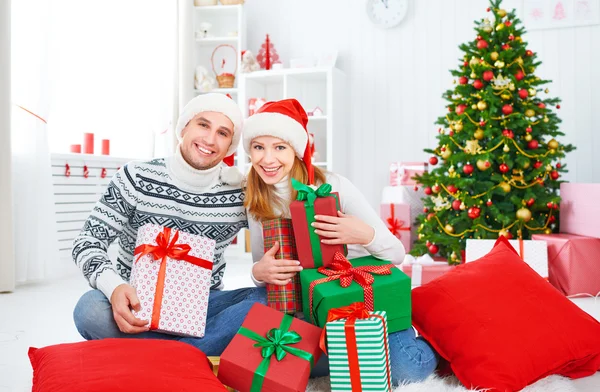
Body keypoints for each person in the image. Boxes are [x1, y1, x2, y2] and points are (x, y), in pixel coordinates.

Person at [242, 98, 439, 384]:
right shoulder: (256, 200)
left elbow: (396, 253)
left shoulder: (334, 187)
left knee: (409, 369)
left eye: (279, 147)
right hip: (315, 308)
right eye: (258, 147)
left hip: (365, 299)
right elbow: (265, 270)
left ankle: (426, 338)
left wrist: (363, 235)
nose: (267, 159)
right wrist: (257, 272)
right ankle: (350, 353)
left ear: (296, 151)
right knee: (285, 365)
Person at [72, 93, 266, 356]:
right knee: (89, 310)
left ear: (230, 145)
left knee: (265, 302)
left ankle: (160, 356)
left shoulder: (240, 191)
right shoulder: (136, 177)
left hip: (203, 305)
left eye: (222, 133)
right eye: (203, 125)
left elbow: (280, 227)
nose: (210, 139)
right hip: (137, 302)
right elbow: (88, 242)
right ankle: (196, 353)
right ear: (184, 127)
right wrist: (114, 286)